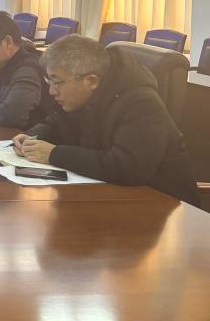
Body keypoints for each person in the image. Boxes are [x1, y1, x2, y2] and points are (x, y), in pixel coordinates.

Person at [12, 35, 199, 205]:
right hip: (112, 197)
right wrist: (32, 137)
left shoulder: (141, 103)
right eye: (49, 81)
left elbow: (127, 168)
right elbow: (55, 122)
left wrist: (54, 154)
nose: (52, 91)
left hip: (164, 206)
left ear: (91, 81)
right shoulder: (81, 97)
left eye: (57, 81)